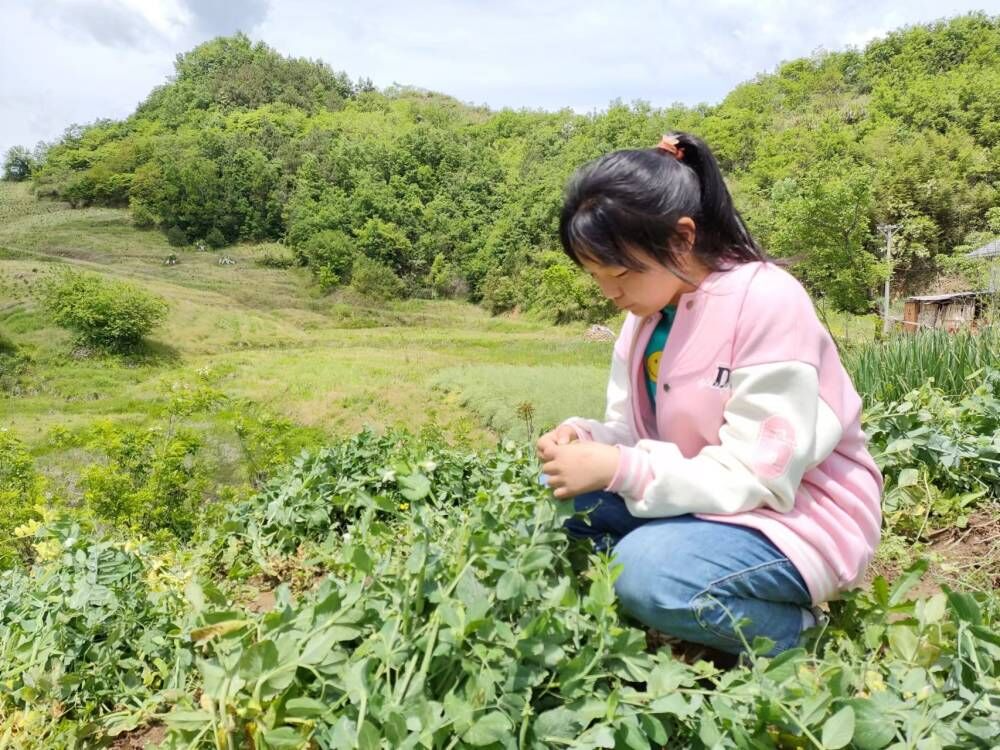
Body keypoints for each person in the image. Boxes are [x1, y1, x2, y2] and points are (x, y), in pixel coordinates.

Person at [536, 132, 883, 657]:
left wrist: (619, 469)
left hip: (793, 515)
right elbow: (633, 432)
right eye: (595, 276)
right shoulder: (644, 319)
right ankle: (687, 600)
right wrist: (586, 439)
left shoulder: (766, 299)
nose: (609, 291)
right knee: (565, 494)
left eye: (620, 272)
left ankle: (797, 634)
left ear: (680, 239)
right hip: (707, 502)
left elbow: (758, 474)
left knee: (647, 575)